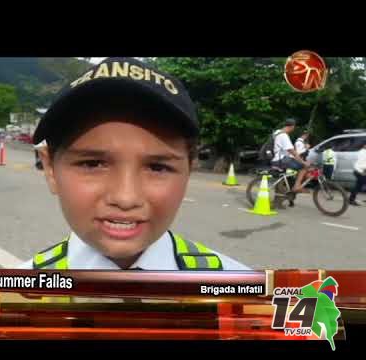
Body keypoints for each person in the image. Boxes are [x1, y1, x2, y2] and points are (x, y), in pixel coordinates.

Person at [20, 57, 249, 270]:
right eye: (92, 164)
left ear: (189, 169)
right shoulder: (6, 298)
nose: (125, 198)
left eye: (158, 167)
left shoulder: (246, 294)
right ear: (50, 169)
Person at [271, 118, 311, 193]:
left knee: (292, 174)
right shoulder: (284, 136)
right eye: (294, 127)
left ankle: (287, 190)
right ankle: (296, 186)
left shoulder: (277, 132)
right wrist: (303, 162)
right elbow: (292, 151)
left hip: (278, 158)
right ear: (292, 126)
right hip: (281, 159)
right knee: (304, 167)